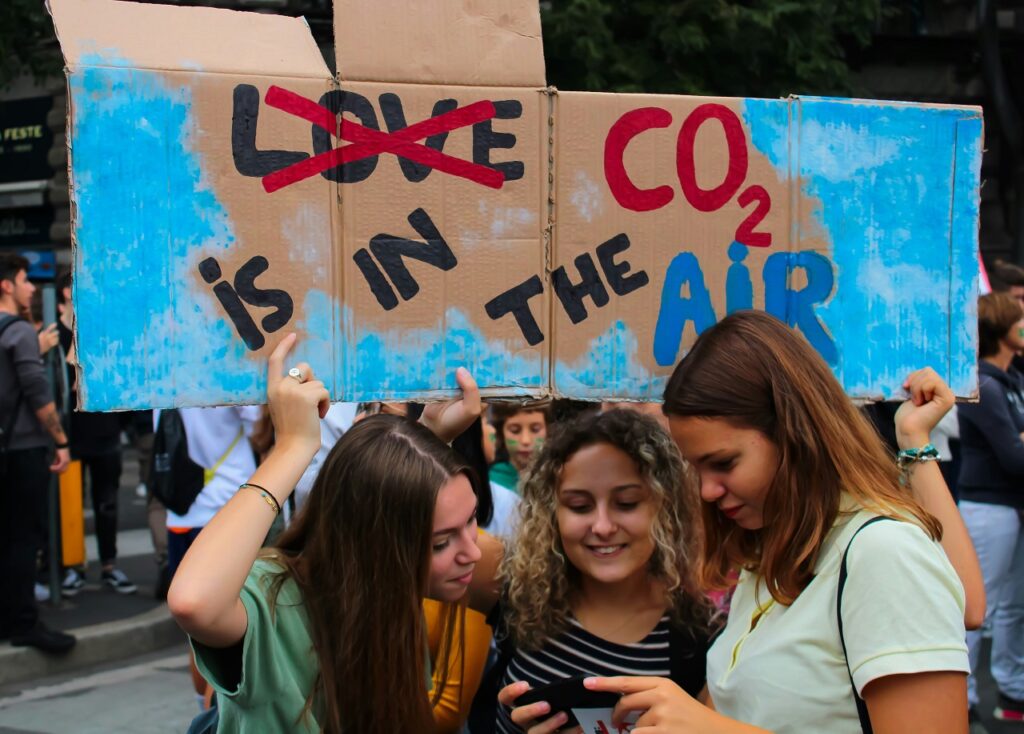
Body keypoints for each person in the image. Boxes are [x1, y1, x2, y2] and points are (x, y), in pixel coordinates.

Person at [503, 310, 984, 734]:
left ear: (795, 434)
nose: (707, 492)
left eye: (724, 463)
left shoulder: (881, 553)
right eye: (696, 470)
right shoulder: (768, 558)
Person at [167, 334, 502, 732]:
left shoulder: (387, 589)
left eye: (471, 523)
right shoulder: (279, 600)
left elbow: (404, 508)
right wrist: (292, 446)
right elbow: (194, 603)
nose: (473, 553)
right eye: (441, 543)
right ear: (372, 541)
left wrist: (428, 439)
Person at [491, 408, 712, 734]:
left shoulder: (698, 636)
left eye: (627, 503)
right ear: (551, 512)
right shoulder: (517, 589)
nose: (603, 526)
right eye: (579, 506)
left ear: (664, 507)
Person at [0, 253, 75, 653]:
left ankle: (7, 616)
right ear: (7, 285)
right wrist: (60, 440)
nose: (32, 287)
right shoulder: (19, 333)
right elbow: (37, 393)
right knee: (25, 538)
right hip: (25, 448)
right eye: (26, 280)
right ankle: (25, 622)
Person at [957, 292, 1024, 722]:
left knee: (1012, 605)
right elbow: (1013, 456)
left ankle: (1012, 690)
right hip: (987, 508)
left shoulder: (1009, 380)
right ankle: (961, 701)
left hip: (1008, 507)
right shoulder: (982, 383)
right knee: (979, 608)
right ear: (1005, 329)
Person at [56, 273, 136, 595]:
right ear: (66, 292)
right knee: (69, 505)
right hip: (70, 436)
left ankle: (109, 566)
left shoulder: (98, 332)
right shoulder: (52, 335)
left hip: (104, 434)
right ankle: (71, 568)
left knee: (107, 504)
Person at [489, 402, 550, 492]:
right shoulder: (491, 484)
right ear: (501, 433)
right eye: (515, 430)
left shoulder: (558, 478)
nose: (525, 440)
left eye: (535, 429)